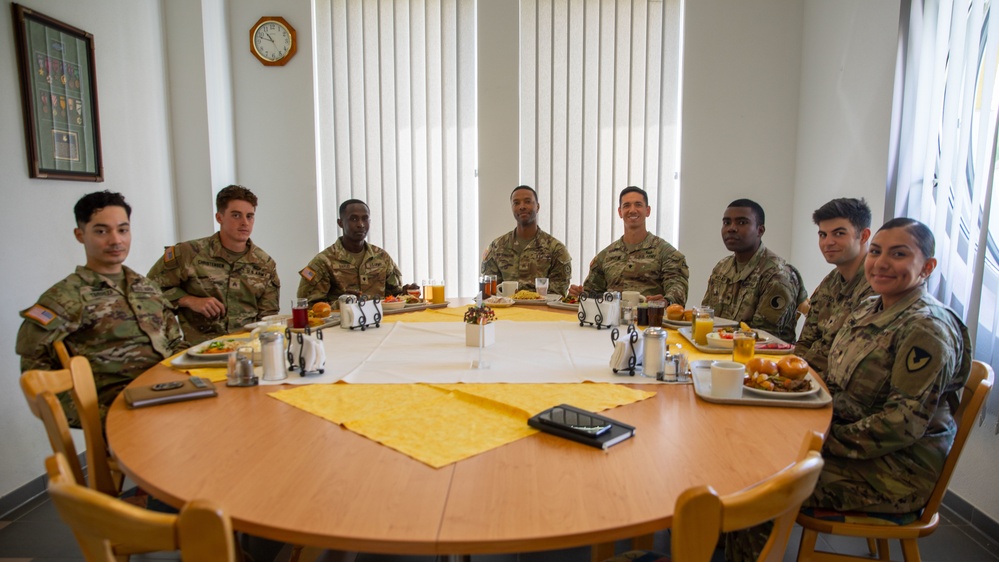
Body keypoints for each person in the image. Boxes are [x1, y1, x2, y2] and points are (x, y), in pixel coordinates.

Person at [725, 217, 972, 561]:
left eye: (899, 254)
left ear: (927, 267)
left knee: (758, 483)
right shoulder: (871, 308)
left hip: (894, 471)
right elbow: (831, 372)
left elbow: (901, 425)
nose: (882, 263)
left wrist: (818, 442)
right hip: (845, 435)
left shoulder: (926, 328)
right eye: (876, 252)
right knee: (743, 450)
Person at [16, 191, 187, 426]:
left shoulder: (146, 287)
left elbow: (174, 342)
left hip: (172, 398)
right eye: (101, 231)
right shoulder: (65, 297)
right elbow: (35, 375)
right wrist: (94, 418)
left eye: (123, 230)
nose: (115, 240)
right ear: (80, 235)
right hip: (122, 414)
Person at [147, 185, 280, 345]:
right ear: (219, 217)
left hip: (246, 350)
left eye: (249, 216)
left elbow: (268, 319)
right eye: (236, 215)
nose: (244, 222)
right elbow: (148, 291)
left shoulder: (265, 264)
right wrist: (188, 300)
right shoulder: (188, 254)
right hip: (200, 351)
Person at [701, 198, 805, 342]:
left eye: (742, 222)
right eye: (726, 222)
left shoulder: (777, 274)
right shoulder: (722, 267)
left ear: (760, 230)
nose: (732, 228)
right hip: (721, 350)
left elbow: (763, 337)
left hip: (762, 358)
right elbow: (705, 317)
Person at [568, 186, 688, 305]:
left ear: (648, 211)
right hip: (611, 322)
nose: (632, 210)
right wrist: (580, 295)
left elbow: (678, 290)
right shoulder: (605, 256)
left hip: (649, 320)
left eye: (638, 205)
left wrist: (666, 301)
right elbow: (592, 294)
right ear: (620, 212)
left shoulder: (666, 253)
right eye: (626, 206)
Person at [794, 198, 875, 373]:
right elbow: (805, 341)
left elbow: (855, 360)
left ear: (864, 236)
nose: (827, 242)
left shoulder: (878, 285)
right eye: (823, 235)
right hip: (809, 379)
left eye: (839, 234)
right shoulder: (831, 281)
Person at [298, 199, 416, 304]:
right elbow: (307, 305)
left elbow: (393, 296)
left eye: (365, 219)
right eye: (354, 219)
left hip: (380, 323)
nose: (360, 225)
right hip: (340, 325)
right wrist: (341, 303)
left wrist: (406, 294)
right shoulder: (323, 261)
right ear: (340, 223)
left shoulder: (382, 257)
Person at [480, 185, 572, 296]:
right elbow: (491, 293)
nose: (522, 207)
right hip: (506, 310)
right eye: (516, 203)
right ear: (512, 208)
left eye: (527, 202)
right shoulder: (497, 247)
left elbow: (557, 295)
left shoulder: (556, 249)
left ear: (537, 207)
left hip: (541, 311)